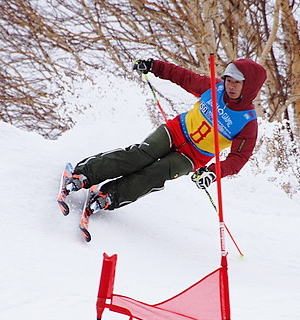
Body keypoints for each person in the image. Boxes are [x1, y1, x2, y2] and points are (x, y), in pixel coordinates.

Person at [65, 57, 267, 213]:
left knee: (156, 173)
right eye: (228, 80)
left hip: (193, 157)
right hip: (175, 130)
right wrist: (154, 66)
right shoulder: (214, 88)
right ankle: (85, 174)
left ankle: (110, 196)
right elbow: (183, 76)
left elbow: (239, 158)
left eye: (237, 83)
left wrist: (212, 172)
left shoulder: (247, 122)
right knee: (140, 155)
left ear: (248, 87)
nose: (230, 87)